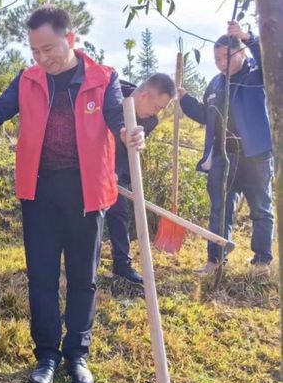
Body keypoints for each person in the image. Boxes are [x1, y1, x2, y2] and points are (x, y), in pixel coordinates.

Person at [0, 6, 145, 383]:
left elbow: (118, 118)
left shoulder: (103, 78)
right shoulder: (28, 79)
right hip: (40, 192)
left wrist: (129, 134)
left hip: (87, 192)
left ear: (70, 39)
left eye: (49, 48)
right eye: (35, 51)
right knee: (42, 277)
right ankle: (47, 355)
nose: (42, 58)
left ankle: (78, 353)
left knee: (83, 279)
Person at [178, 21, 273, 276]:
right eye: (216, 58)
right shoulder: (216, 84)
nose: (220, 62)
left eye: (225, 56)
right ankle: (215, 259)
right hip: (222, 157)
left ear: (241, 52)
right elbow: (205, 114)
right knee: (219, 210)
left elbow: (271, 63)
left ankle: (262, 262)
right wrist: (185, 101)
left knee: (261, 209)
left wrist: (248, 38)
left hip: (255, 156)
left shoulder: (257, 75)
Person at [107, 73, 176, 285]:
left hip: (116, 173)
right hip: (86, 164)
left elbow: (128, 150)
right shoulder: (111, 93)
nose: (158, 113)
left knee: (119, 213)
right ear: (145, 95)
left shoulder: (150, 120)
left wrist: (117, 173)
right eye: (157, 106)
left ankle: (122, 265)